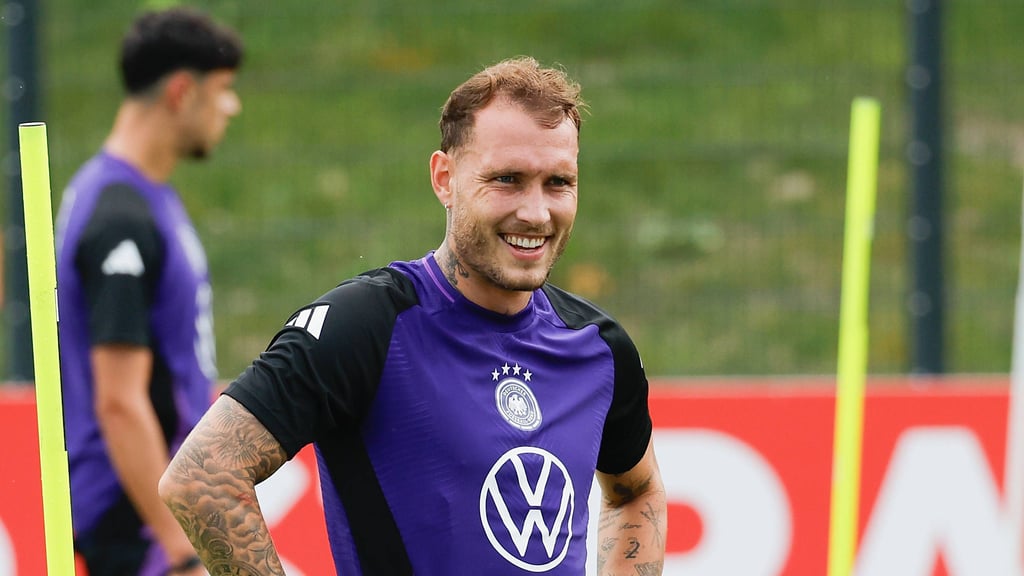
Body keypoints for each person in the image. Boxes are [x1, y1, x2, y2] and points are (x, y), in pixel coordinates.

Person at [160, 56, 666, 575]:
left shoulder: (599, 347)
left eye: (558, 182)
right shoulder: (366, 326)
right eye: (508, 179)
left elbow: (637, 492)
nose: (536, 212)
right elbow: (203, 475)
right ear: (444, 179)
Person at [55, 7, 243, 576]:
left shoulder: (138, 196)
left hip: (161, 514)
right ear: (182, 91)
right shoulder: (119, 215)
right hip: (138, 525)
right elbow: (117, 398)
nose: (232, 107)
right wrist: (181, 550)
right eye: (224, 90)